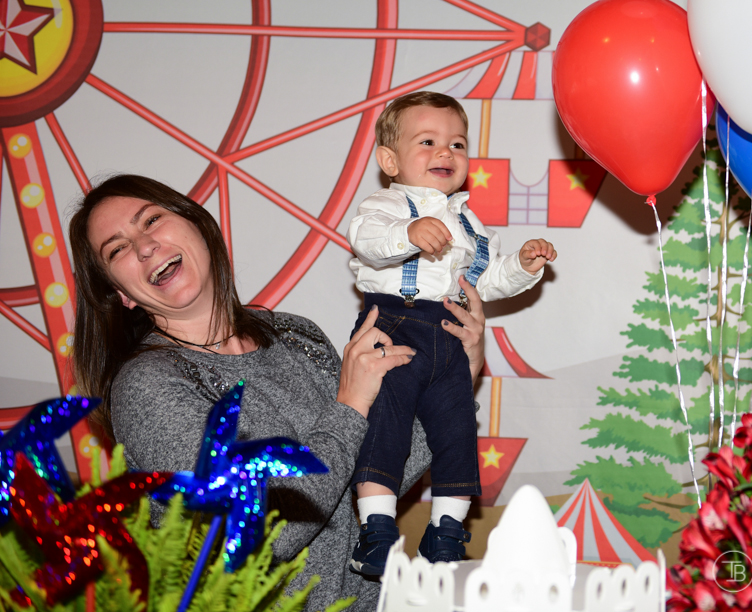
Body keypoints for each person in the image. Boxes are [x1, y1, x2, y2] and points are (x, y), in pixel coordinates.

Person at [68, 174, 486, 612]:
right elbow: (262, 531)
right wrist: (350, 406)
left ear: (197, 225)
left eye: (151, 220)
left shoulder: (294, 333)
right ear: (121, 295)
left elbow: (372, 473)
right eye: (117, 249)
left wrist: (459, 370)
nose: (144, 246)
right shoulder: (148, 387)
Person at [346, 91, 557, 576]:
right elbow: (367, 241)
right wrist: (409, 234)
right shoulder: (385, 204)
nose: (446, 153)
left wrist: (523, 266)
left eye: (458, 144)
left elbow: (485, 281)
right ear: (389, 160)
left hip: (450, 336)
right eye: (428, 141)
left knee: (460, 433)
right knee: (386, 422)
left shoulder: (469, 222)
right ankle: (376, 531)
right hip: (393, 325)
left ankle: (446, 534)